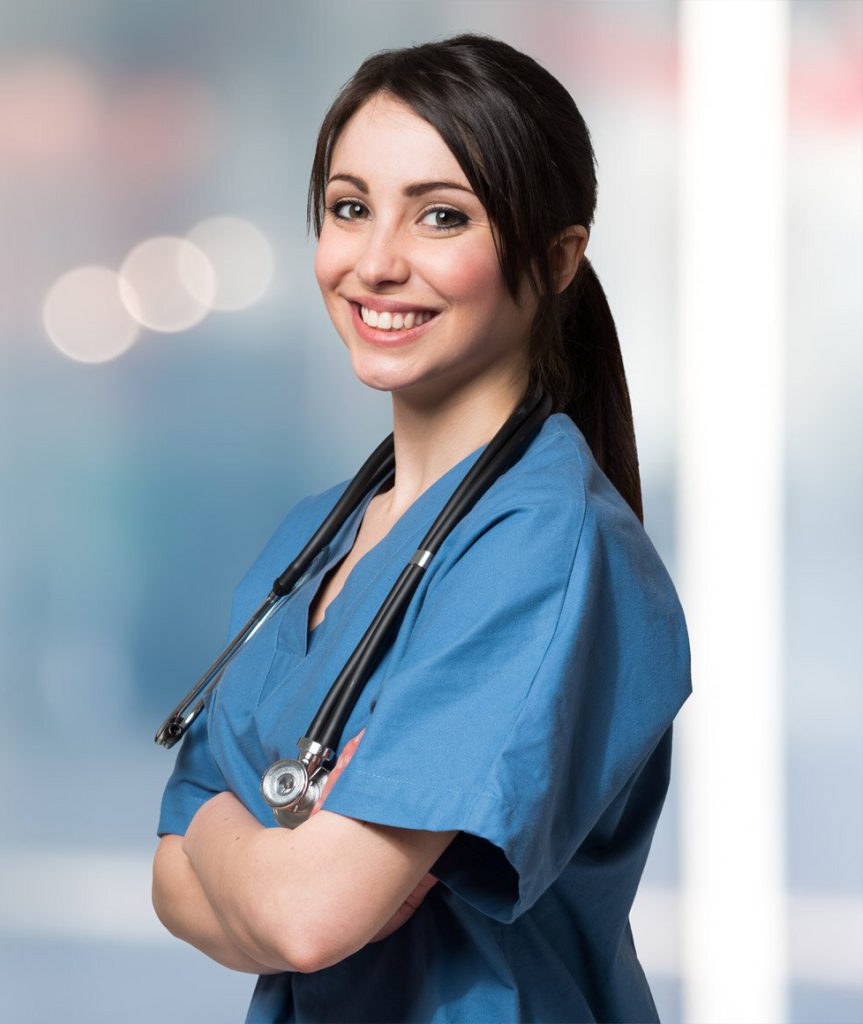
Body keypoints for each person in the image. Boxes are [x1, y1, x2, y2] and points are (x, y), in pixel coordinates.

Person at [152, 33, 692, 1024]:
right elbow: (167, 881)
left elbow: (305, 915)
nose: (375, 261)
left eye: (440, 216)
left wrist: (232, 834)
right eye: (349, 208)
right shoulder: (313, 540)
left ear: (556, 258)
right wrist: (267, 859)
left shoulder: (546, 552)